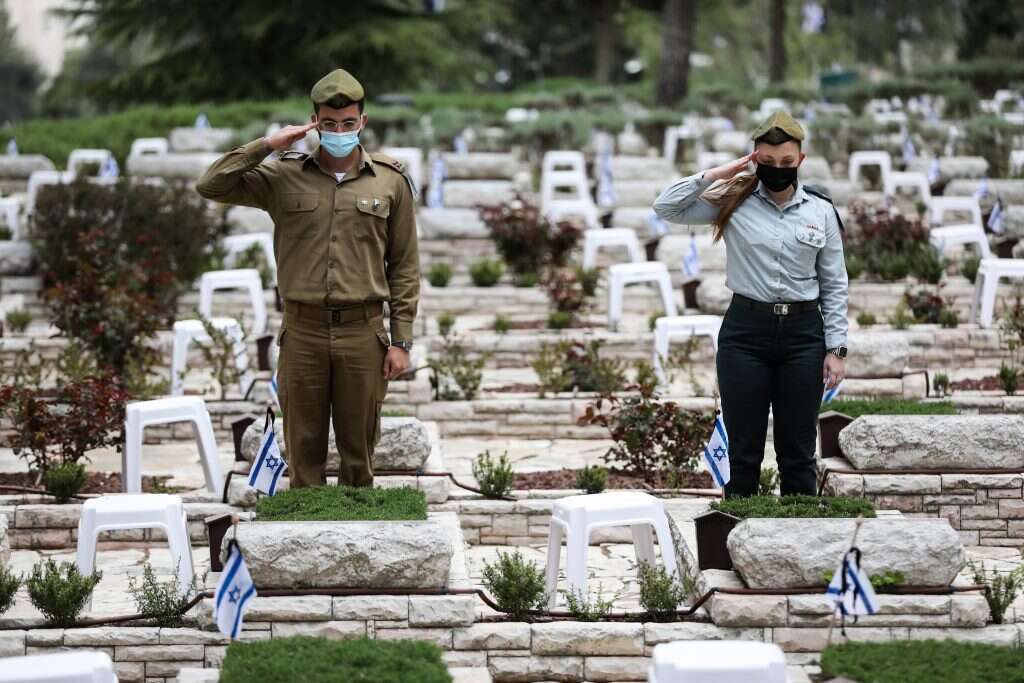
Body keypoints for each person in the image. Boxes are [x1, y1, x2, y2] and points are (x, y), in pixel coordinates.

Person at [196, 68, 420, 488]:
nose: (340, 132)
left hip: (363, 331)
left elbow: (405, 266)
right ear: (314, 122)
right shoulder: (283, 175)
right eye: (329, 124)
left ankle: (357, 537)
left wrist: (401, 341)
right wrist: (268, 145)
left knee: (359, 457)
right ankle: (305, 523)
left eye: (348, 123)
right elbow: (210, 184)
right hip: (303, 332)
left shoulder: (390, 182)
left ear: (362, 123)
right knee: (303, 454)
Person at [653, 111, 848, 497]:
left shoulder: (820, 211)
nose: (779, 169)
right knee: (742, 451)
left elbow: (834, 283)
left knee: (797, 451)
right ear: (756, 158)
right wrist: (718, 174)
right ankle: (738, 541)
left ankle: (798, 543)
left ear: (800, 162)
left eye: (787, 163)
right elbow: (666, 208)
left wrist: (836, 348)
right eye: (769, 161)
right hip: (746, 332)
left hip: (802, 335)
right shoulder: (734, 200)